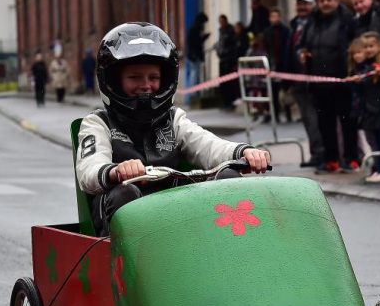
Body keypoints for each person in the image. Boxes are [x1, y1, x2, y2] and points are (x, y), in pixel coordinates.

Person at [75, 22, 272, 236]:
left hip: (174, 216)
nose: (146, 85)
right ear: (113, 80)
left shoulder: (174, 119)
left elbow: (206, 145)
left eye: (154, 77)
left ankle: (232, 255)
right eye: (134, 77)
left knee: (228, 177)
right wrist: (115, 171)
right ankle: (129, 266)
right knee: (125, 193)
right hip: (122, 222)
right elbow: (89, 169)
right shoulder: (97, 122)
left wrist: (244, 152)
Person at [300, 0, 357, 172]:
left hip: (342, 81)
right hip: (319, 83)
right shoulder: (312, 21)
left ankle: (351, 159)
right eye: (322, 0)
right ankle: (331, 159)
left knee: (348, 122)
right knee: (325, 124)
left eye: (329, 0)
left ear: (336, 1)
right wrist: (302, 54)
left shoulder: (347, 20)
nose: (325, 3)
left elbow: (355, 44)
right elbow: (302, 45)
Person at [348, 34, 380, 182]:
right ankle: (379, 168)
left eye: (371, 46)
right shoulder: (367, 64)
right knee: (376, 141)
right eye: (365, 47)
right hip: (371, 107)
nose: (368, 50)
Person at [289, 0, 321, 166]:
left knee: (314, 119)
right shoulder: (294, 24)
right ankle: (315, 153)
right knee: (308, 120)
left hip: (313, 80)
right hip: (297, 80)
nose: (302, 7)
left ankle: (319, 154)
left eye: (305, 4)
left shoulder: (315, 24)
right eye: (299, 4)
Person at [263, 8, 292, 122]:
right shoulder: (267, 32)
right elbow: (266, 48)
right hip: (272, 64)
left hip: (283, 64)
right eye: (272, 17)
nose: (275, 19)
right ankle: (276, 114)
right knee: (273, 91)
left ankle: (288, 113)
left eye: (276, 16)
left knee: (285, 89)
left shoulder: (285, 31)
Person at [215, 14, 240, 110]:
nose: (221, 23)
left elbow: (232, 46)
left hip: (229, 60)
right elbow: (220, 44)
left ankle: (230, 102)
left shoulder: (230, 31)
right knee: (223, 83)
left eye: (222, 21)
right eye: (219, 21)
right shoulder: (221, 31)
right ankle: (225, 102)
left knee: (230, 83)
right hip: (222, 59)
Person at [186, 12, 210, 95]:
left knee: (195, 74)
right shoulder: (195, 29)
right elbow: (196, 43)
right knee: (195, 74)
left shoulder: (194, 28)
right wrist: (204, 37)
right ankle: (194, 93)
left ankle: (195, 93)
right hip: (195, 56)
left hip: (193, 55)